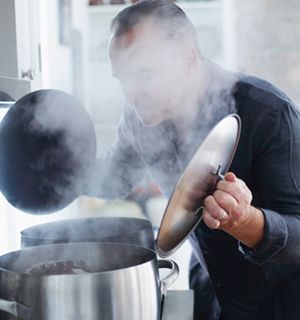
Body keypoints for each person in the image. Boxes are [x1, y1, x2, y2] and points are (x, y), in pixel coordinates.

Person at [88, 0, 300, 319]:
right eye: (122, 79)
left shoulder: (269, 114)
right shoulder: (140, 118)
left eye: (143, 74)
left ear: (188, 59)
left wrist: (244, 221)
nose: (131, 94)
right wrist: (60, 167)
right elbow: (116, 177)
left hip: (282, 305)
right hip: (211, 295)